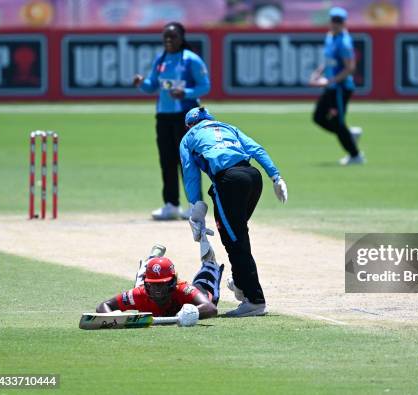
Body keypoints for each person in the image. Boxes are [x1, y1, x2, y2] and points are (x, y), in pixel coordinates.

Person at [180, 107, 288, 318]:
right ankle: (239, 282)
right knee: (236, 235)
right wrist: (276, 177)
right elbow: (257, 149)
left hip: (228, 182)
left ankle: (254, 300)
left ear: (189, 125)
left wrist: (195, 205)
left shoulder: (189, 137)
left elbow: (189, 171)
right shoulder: (228, 127)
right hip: (253, 178)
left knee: (235, 241)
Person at [133, 22, 211, 220]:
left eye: (173, 37)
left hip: (185, 117)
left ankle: (195, 205)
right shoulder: (161, 60)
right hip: (163, 116)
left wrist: (186, 92)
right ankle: (171, 204)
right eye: (165, 37)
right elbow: (152, 85)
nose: (168, 41)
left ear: (181, 38)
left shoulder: (191, 60)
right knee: (166, 160)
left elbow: (204, 86)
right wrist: (142, 83)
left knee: (187, 161)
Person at [96, 236, 223, 321]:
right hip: (143, 289)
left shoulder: (183, 289)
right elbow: (105, 305)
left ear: (173, 282)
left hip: (191, 295)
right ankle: (151, 259)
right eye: (153, 285)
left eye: (162, 285)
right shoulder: (139, 293)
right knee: (139, 285)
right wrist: (113, 318)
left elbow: (211, 308)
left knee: (210, 294)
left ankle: (209, 262)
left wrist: (191, 313)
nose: (157, 290)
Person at [310, 7, 365, 166]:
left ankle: (356, 155)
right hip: (331, 86)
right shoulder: (330, 37)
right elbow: (328, 60)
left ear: (344, 23)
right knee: (318, 117)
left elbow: (350, 68)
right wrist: (318, 72)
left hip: (340, 88)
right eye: (333, 20)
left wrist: (331, 80)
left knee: (337, 122)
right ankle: (348, 135)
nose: (335, 24)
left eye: (338, 21)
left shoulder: (344, 42)